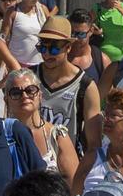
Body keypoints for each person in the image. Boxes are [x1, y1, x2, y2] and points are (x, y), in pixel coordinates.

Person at [35, 16, 102, 158]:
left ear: (68, 47)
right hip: (30, 163)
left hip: (65, 167)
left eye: (53, 49)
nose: (46, 54)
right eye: (42, 48)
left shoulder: (86, 86)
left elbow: (94, 144)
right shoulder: (29, 78)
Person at [3, 68, 81, 178]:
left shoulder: (57, 136)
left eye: (30, 90)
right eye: (16, 93)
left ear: (40, 95)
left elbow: (73, 184)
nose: (24, 96)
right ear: (6, 100)